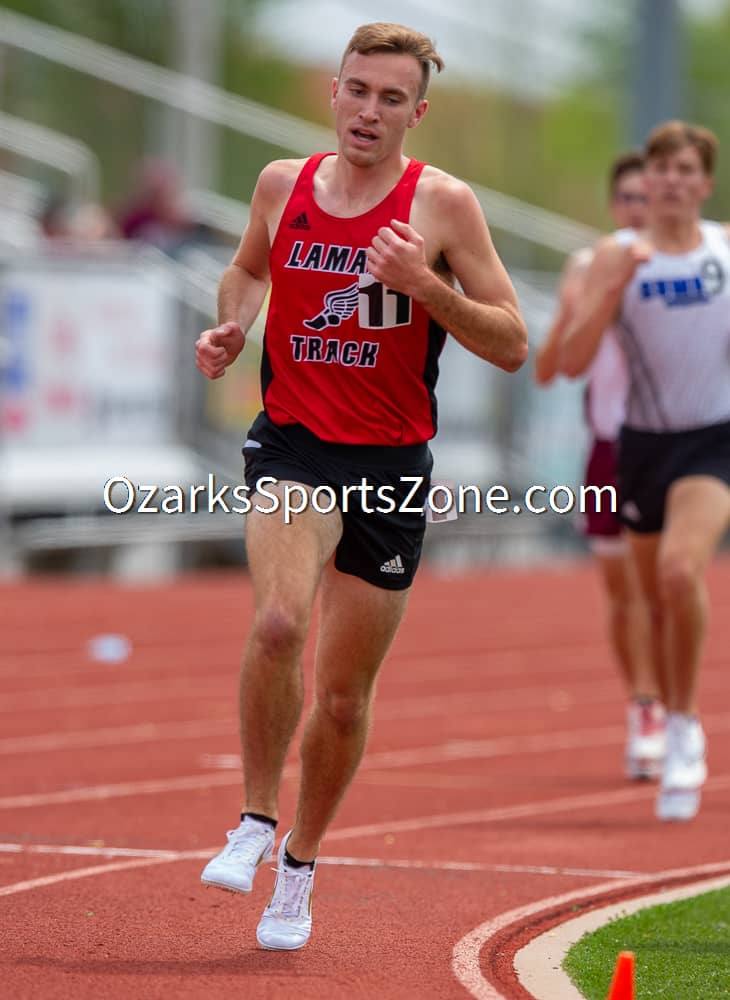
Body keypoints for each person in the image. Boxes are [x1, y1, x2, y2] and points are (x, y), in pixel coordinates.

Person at [195, 22, 527, 950]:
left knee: (342, 698)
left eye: (391, 98)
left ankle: (299, 863)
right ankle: (254, 818)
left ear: (417, 113)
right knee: (278, 623)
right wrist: (232, 326)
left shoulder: (444, 205)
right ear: (333, 92)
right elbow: (247, 268)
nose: (369, 111)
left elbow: (512, 342)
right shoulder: (281, 184)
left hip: (390, 463)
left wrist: (427, 285)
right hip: (294, 446)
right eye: (357, 90)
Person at [559, 120, 730, 821]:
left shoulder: (724, 250)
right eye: (661, 169)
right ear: (648, 180)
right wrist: (611, 290)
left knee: (680, 573)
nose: (671, 181)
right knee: (656, 600)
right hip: (641, 447)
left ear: (705, 182)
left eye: (686, 170)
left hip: (713, 441)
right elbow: (573, 360)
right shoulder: (617, 256)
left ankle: (684, 726)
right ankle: (661, 705)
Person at [535, 152, 665, 782]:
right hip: (609, 448)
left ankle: (672, 704)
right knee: (623, 591)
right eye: (630, 198)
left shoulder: (695, 263)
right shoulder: (589, 265)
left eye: (650, 197)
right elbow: (551, 369)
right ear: (615, 205)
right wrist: (577, 309)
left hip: (674, 446)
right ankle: (645, 705)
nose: (639, 209)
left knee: (666, 582)